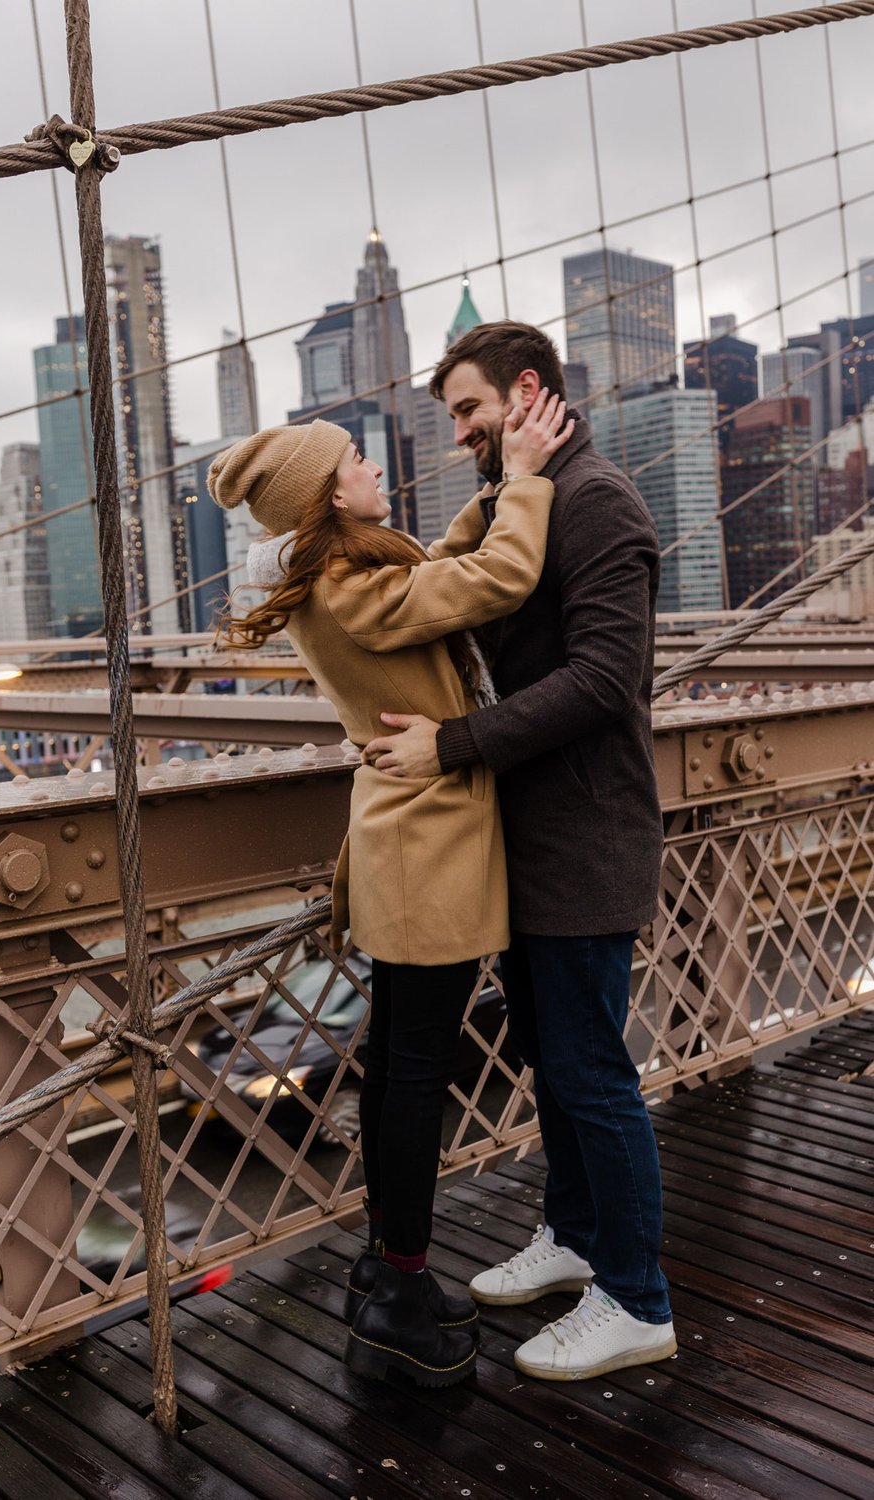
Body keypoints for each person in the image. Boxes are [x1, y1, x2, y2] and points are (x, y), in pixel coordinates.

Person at [209, 396, 571, 1388]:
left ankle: (384, 1265)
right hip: (426, 848)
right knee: (413, 1072)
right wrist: (531, 484)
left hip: (419, 843)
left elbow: (442, 565)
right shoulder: (347, 587)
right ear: (332, 491)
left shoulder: (349, 571)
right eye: (360, 460)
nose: (376, 466)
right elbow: (495, 579)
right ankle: (397, 1291)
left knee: (397, 1062)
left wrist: (495, 487)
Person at [365, 320, 676, 1382]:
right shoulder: (524, 498)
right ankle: (577, 1235)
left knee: (592, 1074)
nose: (458, 434)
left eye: (467, 410)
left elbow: (602, 679)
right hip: (525, 836)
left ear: (525, 392)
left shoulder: (597, 503)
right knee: (551, 1060)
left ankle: (636, 1299)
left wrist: (449, 746)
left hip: (585, 834)